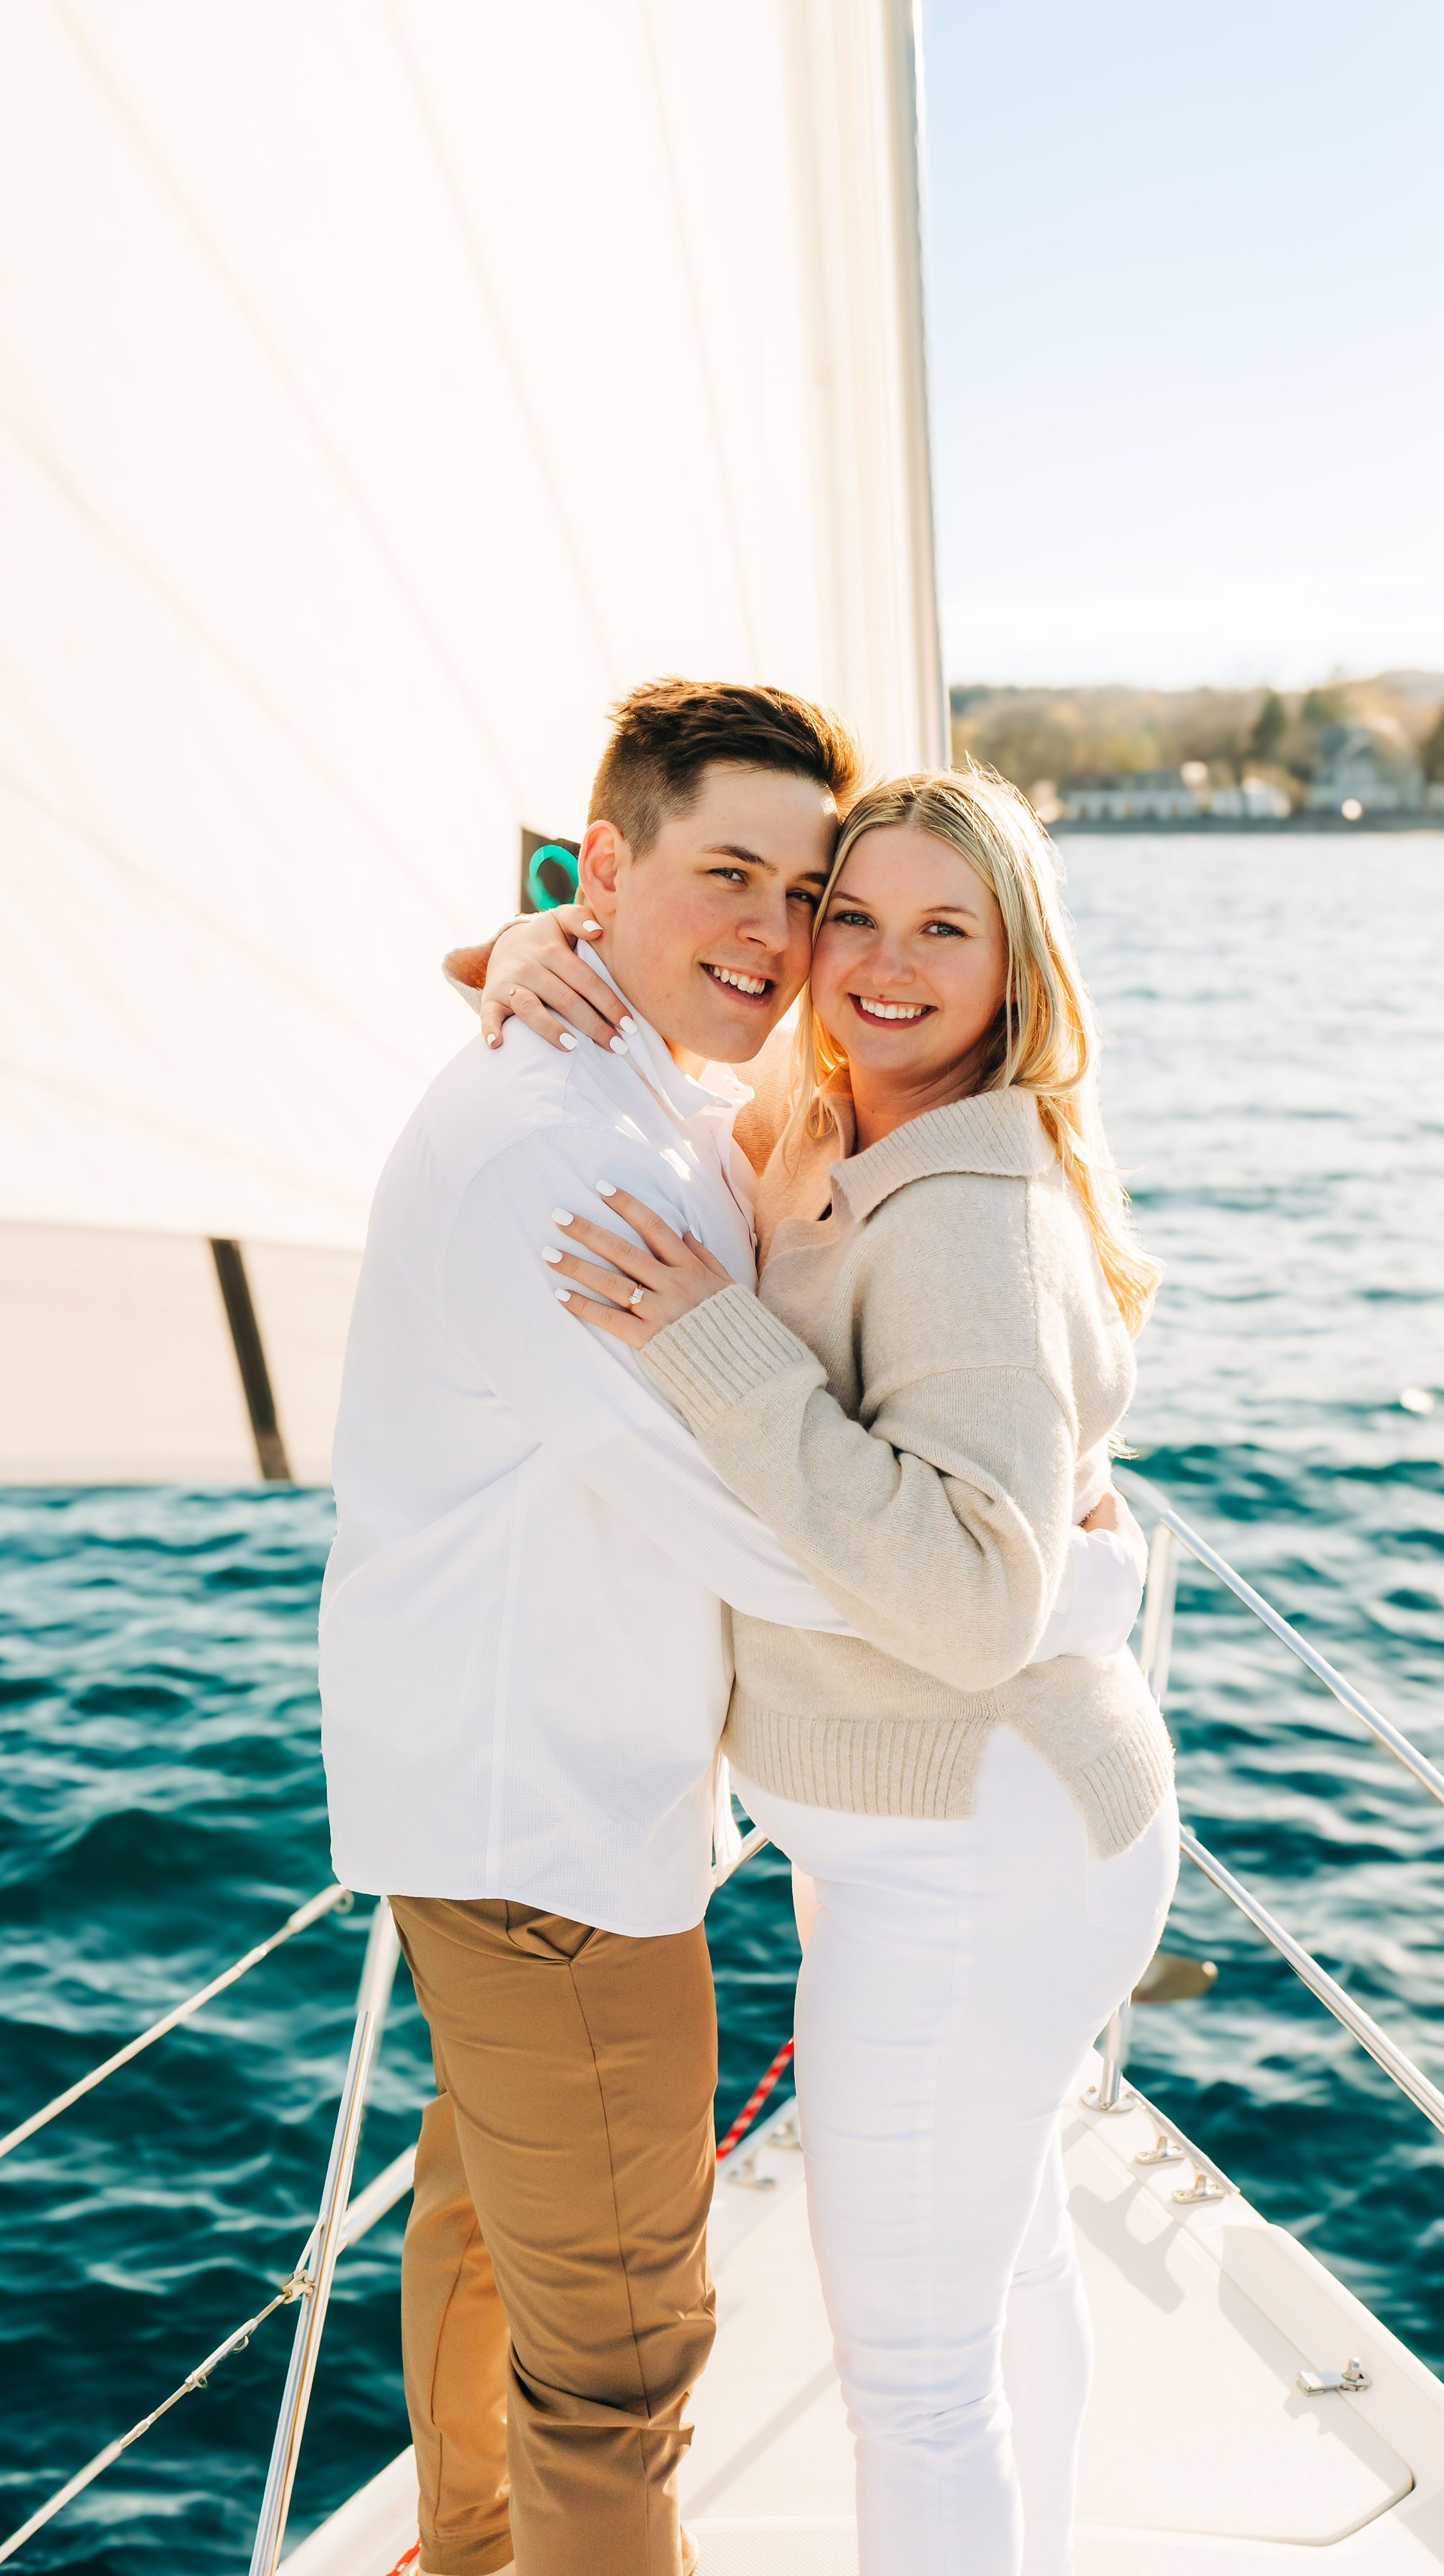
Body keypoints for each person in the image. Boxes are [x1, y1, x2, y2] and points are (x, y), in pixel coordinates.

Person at [324, 683, 1148, 2576]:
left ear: (1019, 968)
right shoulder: (590, 1132)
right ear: (603, 871)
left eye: (831, 897)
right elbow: (787, 1554)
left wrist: (1026, 1576)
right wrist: (519, 947)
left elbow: (916, 1565)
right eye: (764, 890)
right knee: (615, 2355)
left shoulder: (751, 1118)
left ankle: (467, 2550)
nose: (797, 944)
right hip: (559, 1826)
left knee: (505, 2254)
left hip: (660, 1807)